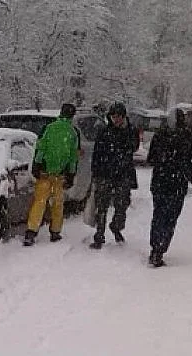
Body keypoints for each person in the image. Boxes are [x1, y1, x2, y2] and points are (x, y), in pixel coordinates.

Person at [146, 108, 192, 267]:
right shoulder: (188, 136)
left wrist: (163, 161)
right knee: (169, 218)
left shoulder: (161, 135)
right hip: (175, 184)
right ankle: (160, 248)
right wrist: (181, 164)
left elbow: (151, 158)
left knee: (159, 216)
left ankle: (156, 248)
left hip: (162, 182)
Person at [23, 103, 80, 246]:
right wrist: (71, 174)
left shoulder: (49, 128)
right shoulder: (73, 133)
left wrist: (37, 165)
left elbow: (41, 148)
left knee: (39, 202)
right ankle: (55, 232)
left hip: (44, 172)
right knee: (57, 204)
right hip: (60, 174)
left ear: (60, 113)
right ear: (72, 116)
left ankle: (31, 232)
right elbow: (73, 157)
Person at [88, 102, 140, 249]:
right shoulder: (104, 132)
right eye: (113, 117)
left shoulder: (131, 131)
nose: (116, 119)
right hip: (105, 173)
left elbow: (134, 147)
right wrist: (95, 172)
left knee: (122, 205)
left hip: (123, 174)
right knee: (102, 205)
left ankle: (116, 226)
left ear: (124, 117)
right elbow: (97, 153)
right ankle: (99, 235)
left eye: (118, 117)